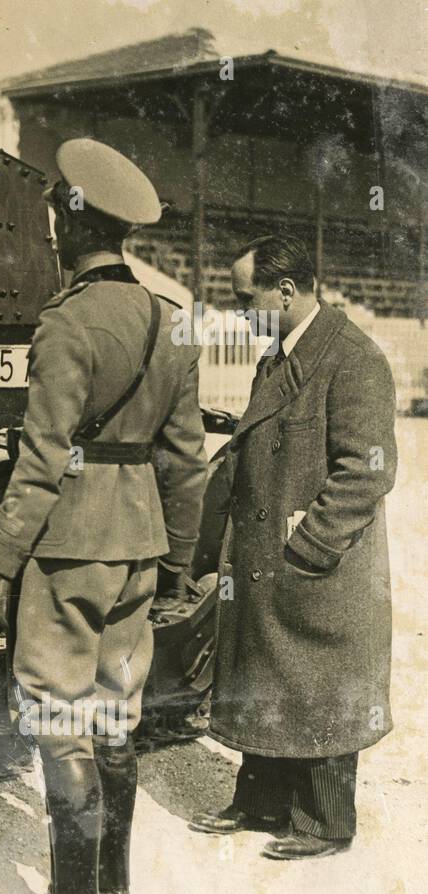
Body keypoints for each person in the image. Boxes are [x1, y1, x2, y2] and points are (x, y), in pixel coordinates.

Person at [0, 139, 208, 894]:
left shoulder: (66, 324)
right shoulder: (171, 323)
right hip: (138, 547)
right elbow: (185, 460)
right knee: (114, 716)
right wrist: (179, 558)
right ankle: (114, 893)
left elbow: (41, 461)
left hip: (70, 548)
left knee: (61, 725)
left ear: (70, 225)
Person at [188, 234, 397, 859]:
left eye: (244, 298)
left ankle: (324, 823)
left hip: (317, 565)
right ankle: (260, 803)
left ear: (286, 290)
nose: (239, 313)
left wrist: (309, 545)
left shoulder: (354, 356)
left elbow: (368, 469)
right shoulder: (279, 355)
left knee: (320, 686)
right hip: (266, 560)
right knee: (268, 678)